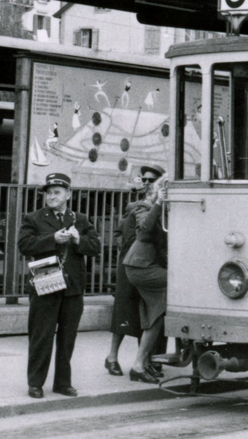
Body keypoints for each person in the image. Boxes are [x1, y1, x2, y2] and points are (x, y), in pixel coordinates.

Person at [18, 172, 100, 399]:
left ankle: (63, 383)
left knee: (67, 337)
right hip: (45, 276)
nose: (52, 197)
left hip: (72, 285)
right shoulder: (34, 218)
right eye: (49, 193)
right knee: (41, 335)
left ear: (68, 194)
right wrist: (52, 239)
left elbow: (95, 247)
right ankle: (35, 382)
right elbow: (24, 245)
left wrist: (77, 240)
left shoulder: (80, 219)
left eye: (57, 192)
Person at [104, 164, 164, 376]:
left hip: (148, 263)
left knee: (145, 312)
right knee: (124, 310)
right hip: (131, 263)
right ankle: (112, 356)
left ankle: (146, 360)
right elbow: (121, 233)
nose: (146, 183)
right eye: (144, 179)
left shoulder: (156, 205)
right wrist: (127, 247)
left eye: (151, 180)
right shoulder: (135, 206)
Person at [123, 174, 171, 383]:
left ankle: (140, 364)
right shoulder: (143, 207)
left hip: (146, 267)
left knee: (156, 316)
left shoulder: (166, 210)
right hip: (140, 266)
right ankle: (142, 363)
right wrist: (159, 202)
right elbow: (144, 231)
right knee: (181, 284)